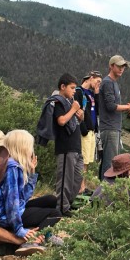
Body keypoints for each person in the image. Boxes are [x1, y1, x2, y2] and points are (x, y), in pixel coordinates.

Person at [0, 130, 62, 244]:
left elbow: (23, 197)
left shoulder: (10, 164)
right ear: (23, 148)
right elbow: (11, 203)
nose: (31, 150)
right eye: (30, 146)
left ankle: (41, 233)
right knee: (54, 214)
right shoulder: (12, 168)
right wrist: (19, 229)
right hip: (5, 217)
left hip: (11, 210)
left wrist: (31, 173)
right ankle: (38, 238)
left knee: (51, 200)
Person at [98, 55, 130, 180]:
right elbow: (110, 106)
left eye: (123, 67)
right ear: (111, 66)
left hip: (113, 127)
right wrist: (128, 106)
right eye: (119, 66)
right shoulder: (108, 83)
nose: (121, 69)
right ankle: (105, 191)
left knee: (109, 160)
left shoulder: (112, 83)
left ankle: (102, 189)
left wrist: (127, 107)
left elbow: (112, 105)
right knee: (111, 162)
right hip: (110, 128)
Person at [53, 73, 84, 216]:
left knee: (76, 178)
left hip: (76, 146)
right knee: (65, 179)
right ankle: (61, 208)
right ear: (62, 87)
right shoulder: (58, 102)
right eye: (72, 88)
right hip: (65, 147)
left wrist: (80, 115)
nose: (73, 91)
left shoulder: (71, 103)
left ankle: (68, 204)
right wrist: (73, 110)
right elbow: (61, 121)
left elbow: (75, 121)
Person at [75, 71, 102, 193]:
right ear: (91, 78)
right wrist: (83, 128)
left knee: (87, 160)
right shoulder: (79, 92)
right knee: (83, 159)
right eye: (97, 81)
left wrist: (97, 94)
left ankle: (83, 185)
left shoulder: (91, 94)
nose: (98, 84)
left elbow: (98, 110)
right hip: (84, 130)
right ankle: (80, 187)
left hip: (92, 130)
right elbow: (77, 111)